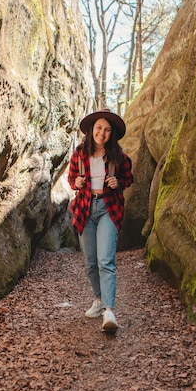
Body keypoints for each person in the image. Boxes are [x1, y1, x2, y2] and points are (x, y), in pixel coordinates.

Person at [68, 108, 133, 332]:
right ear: (91, 130)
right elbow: (71, 178)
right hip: (85, 208)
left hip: (108, 208)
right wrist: (75, 183)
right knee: (91, 262)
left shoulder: (119, 156)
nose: (102, 133)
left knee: (106, 260)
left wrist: (119, 183)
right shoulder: (79, 154)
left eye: (106, 130)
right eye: (98, 128)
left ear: (111, 134)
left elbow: (128, 177)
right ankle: (97, 300)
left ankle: (109, 311)